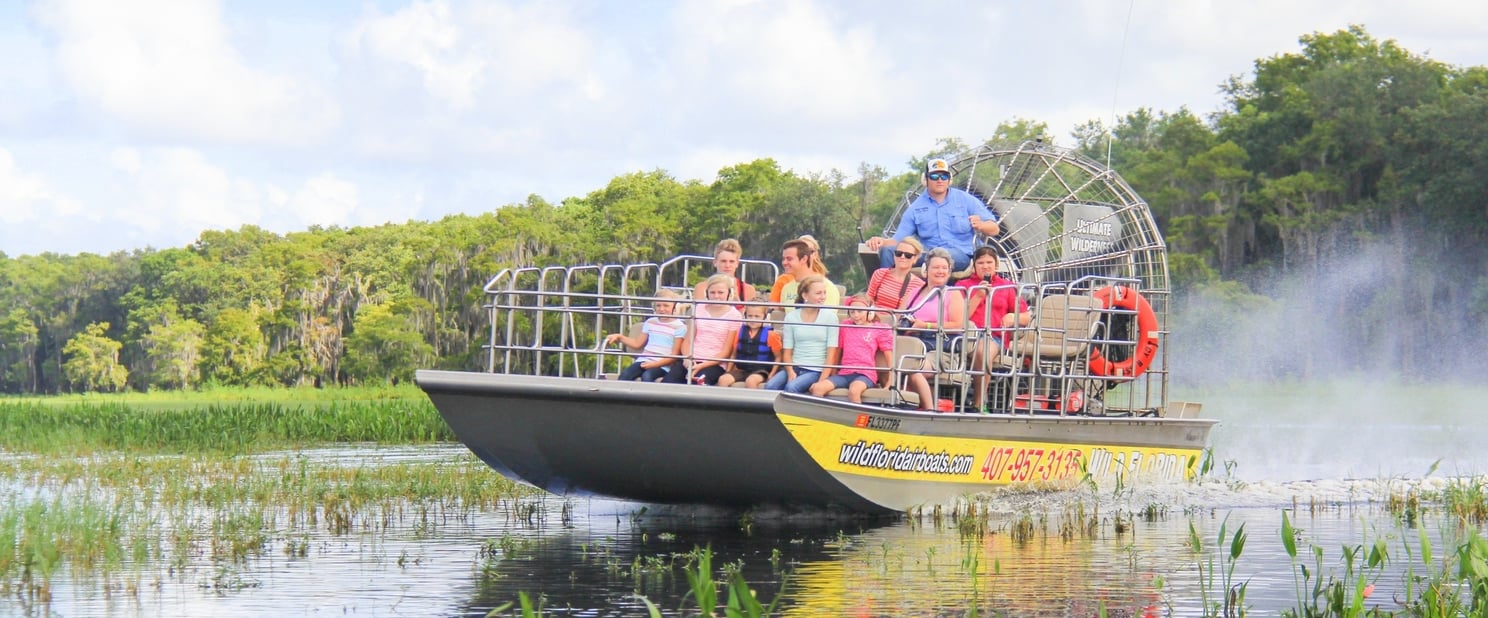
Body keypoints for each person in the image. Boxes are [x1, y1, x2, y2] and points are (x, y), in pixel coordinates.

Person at [866, 158, 1000, 272]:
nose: (940, 180)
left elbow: (994, 229)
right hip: (927, 255)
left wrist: (981, 225)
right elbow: (898, 240)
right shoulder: (915, 208)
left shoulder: (966, 200)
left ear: (950, 179)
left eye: (944, 176)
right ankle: (885, 293)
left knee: (939, 257)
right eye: (935, 176)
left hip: (960, 255)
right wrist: (881, 242)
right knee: (888, 251)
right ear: (926, 179)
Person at [810, 295, 935, 409]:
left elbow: (888, 355)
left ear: (870, 312)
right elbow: (837, 351)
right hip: (845, 372)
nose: (855, 315)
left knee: (854, 391)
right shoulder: (845, 326)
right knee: (817, 388)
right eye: (852, 311)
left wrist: (891, 380)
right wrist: (833, 371)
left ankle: (856, 422)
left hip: (865, 374)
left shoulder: (878, 328)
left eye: (860, 311)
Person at [954, 246, 1032, 412]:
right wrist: (978, 295)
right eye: (980, 262)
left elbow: (1026, 317)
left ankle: (978, 403)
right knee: (976, 346)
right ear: (974, 266)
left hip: (994, 335)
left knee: (982, 350)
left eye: (989, 262)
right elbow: (960, 317)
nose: (985, 266)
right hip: (966, 334)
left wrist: (1013, 317)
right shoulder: (963, 285)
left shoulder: (1007, 286)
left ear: (996, 265)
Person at [764, 275, 840, 393]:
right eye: (818, 293)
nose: (823, 297)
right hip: (794, 366)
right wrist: (790, 371)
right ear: (805, 295)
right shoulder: (791, 317)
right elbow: (787, 352)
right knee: (770, 386)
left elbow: (831, 355)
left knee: (791, 387)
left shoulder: (830, 318)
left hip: (815, 370)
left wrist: (821, 381)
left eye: (824, 293)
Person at [666, 274, 743, 385]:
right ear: (707, 293)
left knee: (697, 382)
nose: (716, 296)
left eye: (720, 292)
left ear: (729, 293)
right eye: (712, 292)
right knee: (669, 382)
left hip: (714, 364)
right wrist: (688, 359)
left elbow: (726, 351)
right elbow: (688, 341)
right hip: (692, 358)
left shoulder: (734, 315)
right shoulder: (699, 308)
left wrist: (701, 365)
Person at [605, 289, 686, 382]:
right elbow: (637, 343)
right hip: (644, 360)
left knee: (647, 376)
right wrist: (620, 337)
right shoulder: (650, 322)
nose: (661, 309)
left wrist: (654, 364)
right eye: (658, 305)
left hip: (662, 365)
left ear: (674, 307)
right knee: (625, 374)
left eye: (666, 305)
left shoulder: (679, 327)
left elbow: (674, 356)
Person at [899, 248, 967, 353]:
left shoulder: (953, 293)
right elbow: (897, 319)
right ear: (926, 270)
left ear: (949, 272)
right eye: (936, 267)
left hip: (937, 347)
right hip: (910, 342)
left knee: (913, 363)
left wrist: (926, 326)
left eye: (944, 268)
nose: (940, 271)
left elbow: (958, 326)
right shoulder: (913, 293)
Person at [718, 304, 779, 388]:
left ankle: (754, 401)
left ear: (765, 317)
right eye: (750, 316)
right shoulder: (739, 332)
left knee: (751, 381)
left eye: (757, 316)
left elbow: (778, 357)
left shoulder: (771, 335)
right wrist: (728, 371)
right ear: (745, 316)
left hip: (761, 371)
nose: (753, 319)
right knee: (723, 380)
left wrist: (772, 374)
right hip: (742, 370)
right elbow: (733, 355)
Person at [770, 238, 841, 307]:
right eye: (783, 259)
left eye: (789, 259)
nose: (784, 263)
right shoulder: (786, 289)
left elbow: (827, 317)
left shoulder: (827, 287)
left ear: (804, 259)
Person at [865, 237, 927, 313]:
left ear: (915, 259)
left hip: (896, 322)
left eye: (908, 255)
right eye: (899, 253)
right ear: (894, 255)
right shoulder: (879, 274)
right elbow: (867, 300)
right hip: (873, 320)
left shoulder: (919, 285)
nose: (902, 257)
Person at [692, 238, 757, 304]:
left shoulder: (748, 290)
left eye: (731, 261)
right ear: (715, 262)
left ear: (737, 263)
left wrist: (738, 302)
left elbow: (751, 313)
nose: (727, 265)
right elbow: (700, 311)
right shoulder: (702, 287)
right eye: (723, 261)